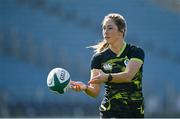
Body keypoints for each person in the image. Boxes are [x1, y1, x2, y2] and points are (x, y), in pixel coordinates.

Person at [70, 13, 145, 118]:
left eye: (110, 28)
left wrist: (107, 77)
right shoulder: (98, 58)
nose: (105, 31)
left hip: (134, 112)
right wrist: (85, 88)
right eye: (104, 28)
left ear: (121, 30)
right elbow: (95, 91)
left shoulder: (136, 52)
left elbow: (128, 76)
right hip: (110, 112)